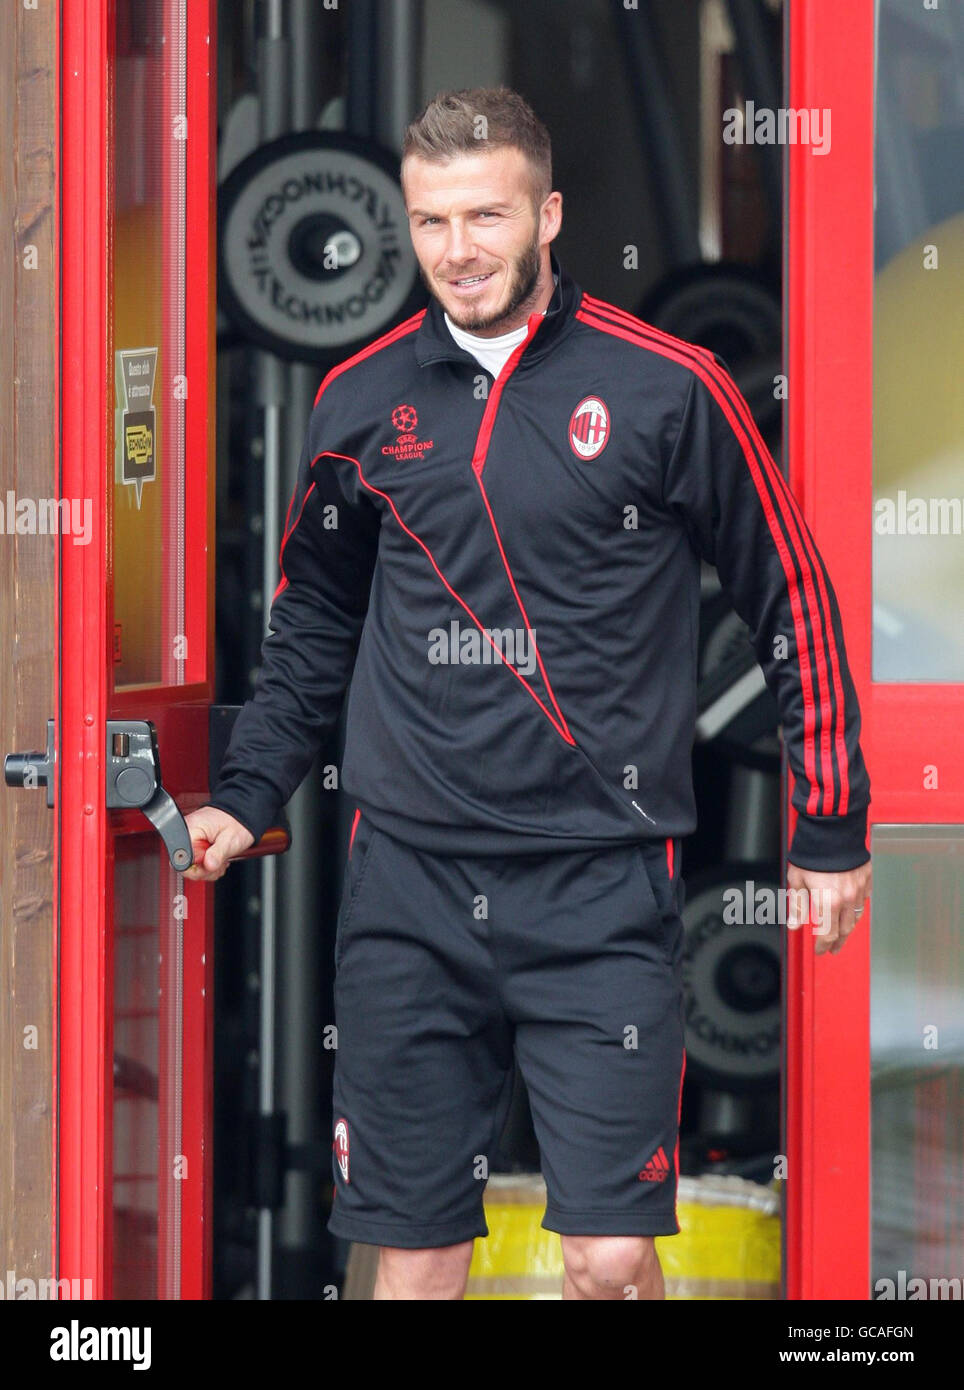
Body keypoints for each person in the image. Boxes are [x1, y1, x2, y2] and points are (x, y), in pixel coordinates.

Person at [186, 87, 872, 1301]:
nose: (458, 250)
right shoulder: (357, 403)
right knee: (415, 1254)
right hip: (407, 882)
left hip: (600, 882)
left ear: (548, 215)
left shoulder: (669, 386)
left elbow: (791, 596)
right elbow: (312, 622)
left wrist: (825, 823)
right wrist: (247, 790)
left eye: (487, 215)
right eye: (433, 221)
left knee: (607, 1259)